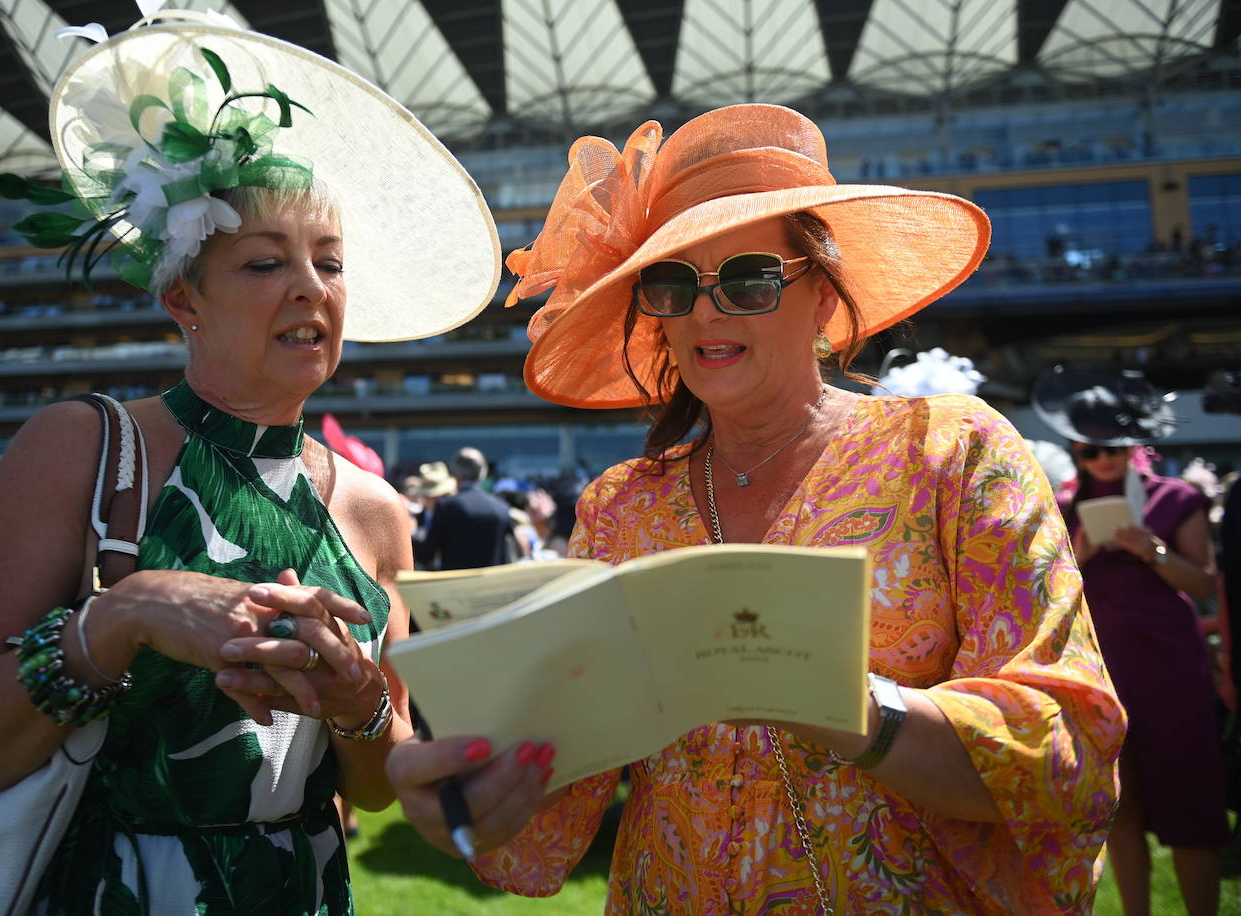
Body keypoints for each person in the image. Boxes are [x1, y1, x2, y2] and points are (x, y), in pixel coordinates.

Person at [386, 105, 1125, 913]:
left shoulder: (952, 453)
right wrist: (465, 787)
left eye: (746, 278)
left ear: (824, 298)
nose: (707, 311)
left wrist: (847, 703)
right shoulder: (622, 507)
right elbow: (555, 798)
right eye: (672, 284)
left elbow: (1068, 748)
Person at [0, 14, 498, 914]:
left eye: (330, 264)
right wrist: (124, 615)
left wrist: (359, 702)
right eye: (266, 262)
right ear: (184, 295)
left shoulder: (379, 513)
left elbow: (376, 787)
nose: (311, 286)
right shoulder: (82, 448)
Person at [1036, 366, 1227, 916]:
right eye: (1092, 451)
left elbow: (1206, 582)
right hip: (1101, 669)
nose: (1103, 461)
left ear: (1131, 448)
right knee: (1121, 804)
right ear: (1075, 449)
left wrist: (1154, 552)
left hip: (1170, 667)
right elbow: (1046, 592)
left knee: (1190, 801)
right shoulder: (1064, 510)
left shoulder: (1175, 497)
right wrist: (1080, 555)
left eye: (1113, 450)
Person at [412, 447, 515, 571]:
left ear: (454, 473)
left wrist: (411, 535)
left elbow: (425, 555)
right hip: (493, 587)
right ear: (483, 472)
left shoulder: (447, 507)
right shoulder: (501, 507)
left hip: (455, 586)